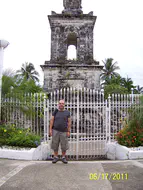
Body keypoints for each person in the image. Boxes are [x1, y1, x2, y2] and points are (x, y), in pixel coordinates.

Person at [49, 99, 71, 164]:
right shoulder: (55, 112)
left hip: (64, 131)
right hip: (55, 130)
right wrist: (50, 130)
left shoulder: (67, 112)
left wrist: (68, 131)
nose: (61, 104)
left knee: (64, 145)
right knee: (55, 144)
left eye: (62, 103)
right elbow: (51, 121)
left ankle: (63, 157)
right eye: (60, 103)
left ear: (64, 104)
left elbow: (69, 122)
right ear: (58, 104)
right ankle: (55, 157)